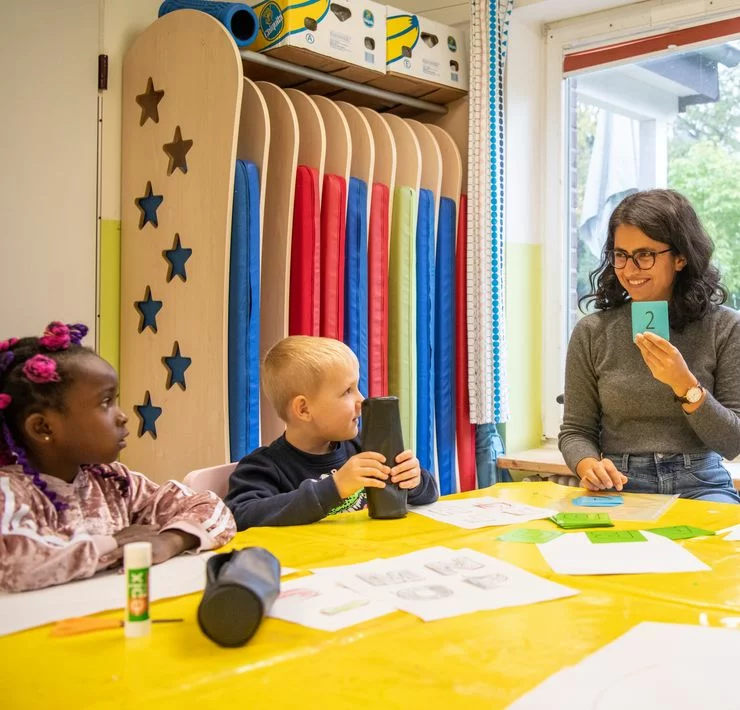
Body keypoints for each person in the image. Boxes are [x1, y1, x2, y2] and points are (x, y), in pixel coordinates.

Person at [0, 322, 236, 592]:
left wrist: (172, 540)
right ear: (43, 428)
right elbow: (13, 560)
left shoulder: (117, 482)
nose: (123, 415)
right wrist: (113, 544)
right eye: (105, 402)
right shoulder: (10, 492)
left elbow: (213, 508)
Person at [559, 189, 740, 504]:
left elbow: (732, 443)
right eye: (620, 255)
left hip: (701, 483)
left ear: (680, 257)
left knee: (719, 551)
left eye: (645, 255)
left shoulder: (724, 327)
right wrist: (589, 466)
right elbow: (576, 431)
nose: (629, 270)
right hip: (619, 483)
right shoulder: (591, 332)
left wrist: (685, 385)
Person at [225, 336, 438, 529]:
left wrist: (415, 480)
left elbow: (430, 494)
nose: (361, 400)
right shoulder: (264, 467)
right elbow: (241, 516)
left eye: (357, 387)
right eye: (347, 391)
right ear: (304, 409)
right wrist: (334, 488)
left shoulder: (364, 444)